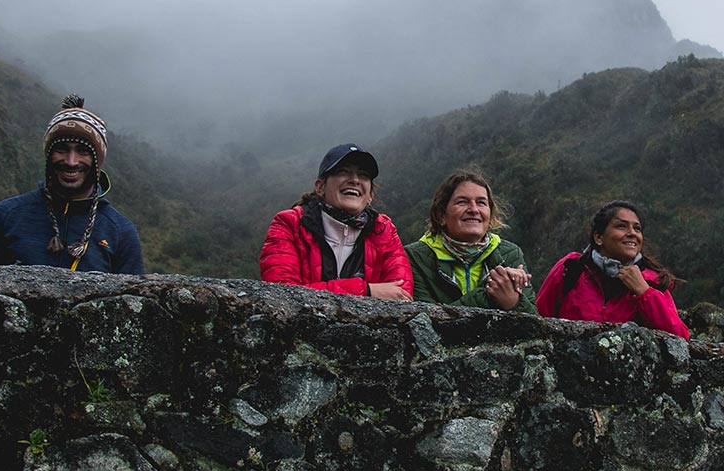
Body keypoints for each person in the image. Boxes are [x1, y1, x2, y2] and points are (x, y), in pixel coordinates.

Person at [0, 93, 145, 274]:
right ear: (49, 155)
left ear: (97, 161)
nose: (71, 161)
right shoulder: (7, 215)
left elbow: (134, 298)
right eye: (62, 149)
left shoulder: (120, 231)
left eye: (83, 151)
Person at [260, 143, 413, 299]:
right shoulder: (289, 224)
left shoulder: (383, 232)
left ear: (370, 196)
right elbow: (282, 294)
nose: (355, 180)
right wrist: (366, 291)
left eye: (363, 175)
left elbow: (401, 295)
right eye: (343, 172)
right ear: (320, 187)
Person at [536, 199, 689, 339]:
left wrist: (644, 293)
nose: (632, 233)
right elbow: (538, 319)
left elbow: (679, 338)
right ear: (598, 237)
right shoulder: (571, 269)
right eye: (621, 226)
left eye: (637, 228)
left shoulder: (652, 281)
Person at [405, 168, 536, 312]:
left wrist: (513, 303)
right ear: (441, 215)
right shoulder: (416, 257)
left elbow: (536, 326)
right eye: (462, 202)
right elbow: (424, 322)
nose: (474, 209)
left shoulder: (510, 254)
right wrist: (487, 295)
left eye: (481, 203)